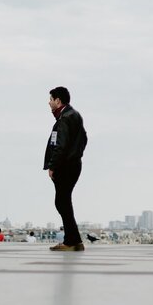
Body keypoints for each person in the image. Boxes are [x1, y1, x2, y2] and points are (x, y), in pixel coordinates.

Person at [43, 86, 88, 251]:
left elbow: (60, 146)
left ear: (58, 100)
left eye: (50, 99)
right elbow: (84, 139)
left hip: (65, 166)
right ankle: (74, 240)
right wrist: (76, 155)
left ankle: (71, 241)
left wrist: (53, 166)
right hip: (74, 164)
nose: (49, 103)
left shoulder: (64, 118)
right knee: (64, 201)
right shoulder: (74, 115)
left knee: (62, 202)